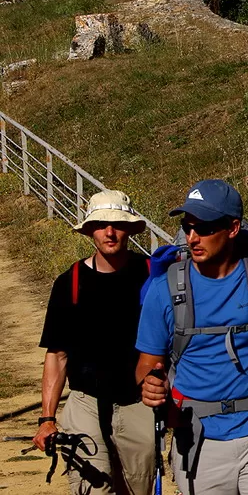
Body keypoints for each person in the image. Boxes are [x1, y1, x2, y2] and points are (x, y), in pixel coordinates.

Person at [136, 179, 248, 495]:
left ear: (233, 229)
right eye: (187, 227)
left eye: (204, 228)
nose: (192, 237)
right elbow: (147, 364)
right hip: (196, 438)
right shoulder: (163, 291)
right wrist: (149, 387)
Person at [34, 189, 156, 495]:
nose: (110, 232)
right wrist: (47, 418)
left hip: (139, 402)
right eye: (101, 224)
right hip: (85, 402)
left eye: (116, 224)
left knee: (138, 487)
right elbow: (57, 354)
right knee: (92, 489)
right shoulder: (69, 283)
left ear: (129, 227)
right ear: (90, 230)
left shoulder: (153, 275)